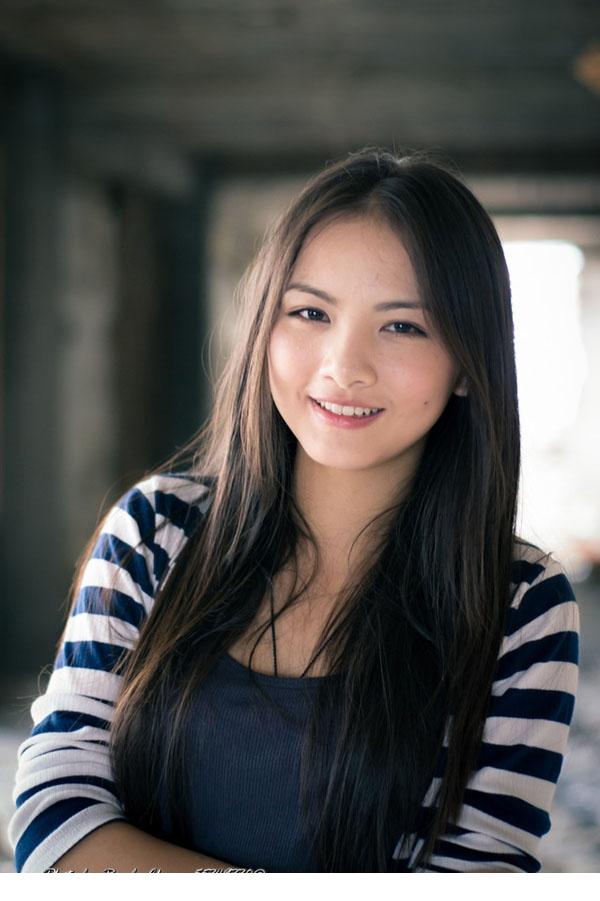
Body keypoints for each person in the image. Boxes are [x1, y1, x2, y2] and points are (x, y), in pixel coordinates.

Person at [9, 147, 580, 873]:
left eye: (403, 325)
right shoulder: (154, 531)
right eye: (310, 312)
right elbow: (53, 814)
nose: (344, 365)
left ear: (469, 362)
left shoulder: (518, 607)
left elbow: (478, 874)